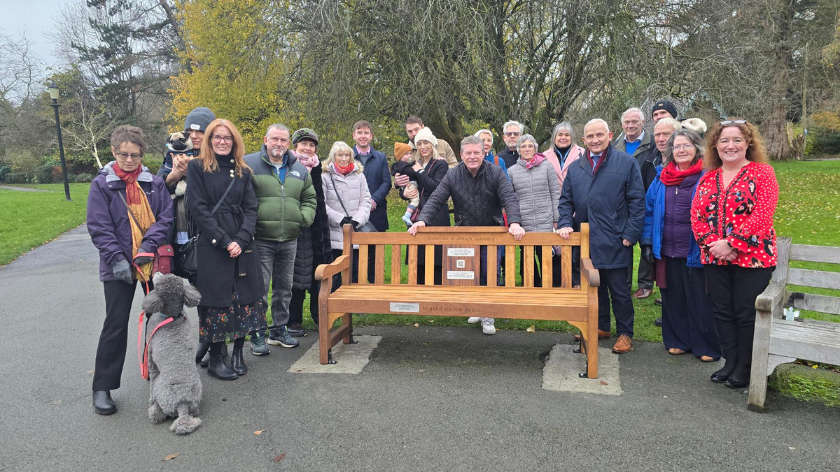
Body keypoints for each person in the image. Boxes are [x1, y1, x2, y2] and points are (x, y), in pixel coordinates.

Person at [87, 125, 173, 415]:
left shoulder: (153, 183)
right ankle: (102, 386)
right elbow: (99, 226)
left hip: (150, 261)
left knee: (160, 320)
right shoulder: (102, 185)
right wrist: (116, 258)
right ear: (114, 152)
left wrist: (148, 246)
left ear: (141, 154)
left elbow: (165, 218)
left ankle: (163, 374)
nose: (128, 160)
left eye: (134, 155)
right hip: (118, 265)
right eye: (123, 154)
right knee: (115, 323)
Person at [409, 135, 525, 335]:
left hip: (491, 231)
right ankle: (477, 308)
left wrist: (514, 222)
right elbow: (437, 198)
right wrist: (422, 220)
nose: (472, 157)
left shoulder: (496, 172)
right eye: (468, 153)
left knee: (490, 274)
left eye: (476, 153)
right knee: (470, 274)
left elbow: (509, 197)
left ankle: (488, 315)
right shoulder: (453, 174)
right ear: (461, 155)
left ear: (484, 153)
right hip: (465, 232)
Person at [691, 119, 778, 389]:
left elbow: (763, 214)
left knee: (745, 312)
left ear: (748, 143)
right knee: (722, 311)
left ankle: (745, 367)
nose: (730, 146)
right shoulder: (708, 178)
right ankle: (729, 361)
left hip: (753, 259)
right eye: (724, 141)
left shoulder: (762, 173)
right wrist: (713, 245)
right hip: (715, 257)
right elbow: (696, 216)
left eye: (737, 140)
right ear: (715, 146)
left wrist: (732, 244)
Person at [557, 119, 645, 354]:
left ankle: (625, 333)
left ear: (610, 135)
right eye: (590, 136)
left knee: (619, 291)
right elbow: (565, 201)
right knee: (594, 288)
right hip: (587, 239)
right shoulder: (576, 167)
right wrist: (565, 223)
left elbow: (637, 201)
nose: (595, 140)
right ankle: (601, 327)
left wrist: (630, 233)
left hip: (616, 238)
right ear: (583, 140)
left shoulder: (626, 163)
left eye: (599, 135)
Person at [187, 118, 265, 380]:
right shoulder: (197, 167)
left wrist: (241, 239)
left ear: (234, 141)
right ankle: (216, 357)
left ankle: (238, 353)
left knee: (244, 298)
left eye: (227, 137)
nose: (222, 142)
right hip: (213, 244)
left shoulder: (243, 171)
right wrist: (224, 240)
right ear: (209, 140)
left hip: (242, 244)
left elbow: (251, 208)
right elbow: (197, 208)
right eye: (217, 137)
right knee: (217, 302)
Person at [641, 129, 719, 362]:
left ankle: (706, 346)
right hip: (667, 249)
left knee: (700, 299)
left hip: (696, 249)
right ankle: (677, 340)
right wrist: (647, 242)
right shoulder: (661, 178)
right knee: (672, 297)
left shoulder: (707, 177)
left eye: (686, 145)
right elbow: (649, 211)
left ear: (696, 148)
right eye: (677, 147)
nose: (681, 150)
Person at [244, 124, 317, 351]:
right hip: (260, 238)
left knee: (284, 288)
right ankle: (257, 333)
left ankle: (278, 329)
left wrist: (302, 218)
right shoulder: (250, 164)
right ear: (265, 140)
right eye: (275, 139)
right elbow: (241, 197)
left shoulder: (299, 169)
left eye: (283, 140)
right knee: (259, 289)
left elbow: (310, 198)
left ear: (288, 144)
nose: (279, 143)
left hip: (289, 238)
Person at [157, 107, 215, 281]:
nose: (194, 136)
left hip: (205, 237)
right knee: (176, 290)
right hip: (176, 234)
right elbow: (157, 189)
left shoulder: (218, 155)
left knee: (206, 289)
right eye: (190, 131)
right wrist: (174, 176)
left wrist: (192, 172)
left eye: (200, 131)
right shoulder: (174, 153)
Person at [287, 128, 332, 338]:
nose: (307, 148)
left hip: (318, 228)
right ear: (296, 146)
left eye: (311, 145)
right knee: (296, 274)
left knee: (317, 273)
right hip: (297, 227)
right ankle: (293, 319)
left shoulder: (318, 168)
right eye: (304, 144)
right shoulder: (289, 166)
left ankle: (318, 315)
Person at [632, 117, 682, 306]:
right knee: (665, 281)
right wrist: (646, 242)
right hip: (661, 236)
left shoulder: (689, 164)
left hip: (682, 239)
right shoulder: (655, 165)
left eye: (666, 134)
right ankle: (670, 316)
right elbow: (649, 207)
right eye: (657, 134)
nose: (661, 139)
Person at [394, 128, 450, 284]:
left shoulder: (441, 164)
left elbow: (436, 189)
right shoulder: (414, 164)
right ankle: (418, 293)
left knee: (436, 261)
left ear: (432, 144)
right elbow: (409, 185)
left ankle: (436, 294)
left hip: (436, 217)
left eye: (426, 143)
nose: (423, 147)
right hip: (417, 215)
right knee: (418, 260)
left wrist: (420, 172)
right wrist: (403, 192)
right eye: (419, 144)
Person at [507, 134, 561, 287]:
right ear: (519, 150)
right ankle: (531, 287)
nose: (527, 149)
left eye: (530, 146)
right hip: (525, 222)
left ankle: (550, 286)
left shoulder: (547, 166)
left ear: (535, 148)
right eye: (523, 146)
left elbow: (555, 193)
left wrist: (556, 219)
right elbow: (511, 199)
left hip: (546, 219)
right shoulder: (512, 171)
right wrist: (515, 222)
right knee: (527, 257)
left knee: (546, 256)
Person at [323, 141, 372, 284]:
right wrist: (340, 219)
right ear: (333, 156)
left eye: (347, 155)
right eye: (340, 155)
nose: (344, 158)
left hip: (355, 233)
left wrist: (357, 220)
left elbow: (366, 200)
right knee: (336, 279)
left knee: (355, 276)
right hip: (334, 235)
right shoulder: (325, 176)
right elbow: (322, 204)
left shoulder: (359, 175)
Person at [353, 120, 391, 283]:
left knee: (375, 253)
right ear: (354, 135)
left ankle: (375, 285)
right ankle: (356, 284)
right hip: (354, 212)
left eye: (366, 133)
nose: (363, 136)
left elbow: (386, 182)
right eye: (360, 132)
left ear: (371, 136)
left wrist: (374, 200)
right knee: (356, 252)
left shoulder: (380, 157)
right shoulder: (347, 156)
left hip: (377, 212)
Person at [542, 121, 584, 192]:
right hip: (553, 197)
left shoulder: (582, 153)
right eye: (560, 135)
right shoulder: (544, 156)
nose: (563, 137)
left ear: (571, 138)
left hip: (576, 196)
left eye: (567, 135)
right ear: (554, 137)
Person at [392, 142, 420, 227]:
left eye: (410, 153)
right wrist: (418, 170)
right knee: (415, 200)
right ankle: (407, 215)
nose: (409, 156)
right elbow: (411, 172)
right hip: (410, 185)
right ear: (400, 156)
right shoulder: (404, 166)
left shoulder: (400, 165)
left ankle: (409, 215)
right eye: (406, 154)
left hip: (407, 185)